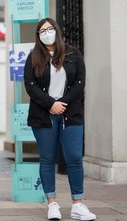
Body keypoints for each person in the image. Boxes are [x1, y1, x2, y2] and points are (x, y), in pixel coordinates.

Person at [24, 18, 96, 221]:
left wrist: (62, 103)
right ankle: (52, 204)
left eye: (50, 29)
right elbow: (30, 85)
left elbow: (80, 81)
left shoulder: (73, 53)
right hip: (43, 115)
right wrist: (50, 104)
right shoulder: (34, 56)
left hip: (70, 114)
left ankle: (78, 204)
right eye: (42, 31)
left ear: (57, 30)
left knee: (74, 157)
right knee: (47, 159)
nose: (47, 33)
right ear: (38, 36)